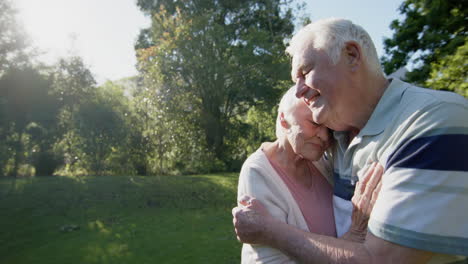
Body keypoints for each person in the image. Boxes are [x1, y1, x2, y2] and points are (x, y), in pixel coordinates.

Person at [233, 18, 468, 263]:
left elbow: (379, 260)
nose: (299, 91)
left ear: (352, 55)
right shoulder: (337, 138)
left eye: (305, 72)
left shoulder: (432, 121)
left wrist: (270, 231)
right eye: (296, 81)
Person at [237, 85, 383, 263]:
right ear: (284, 120)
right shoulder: (258, 171)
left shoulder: (321, 161)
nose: (324, 136)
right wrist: (354, 238)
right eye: (314, 123)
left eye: (328, 128)